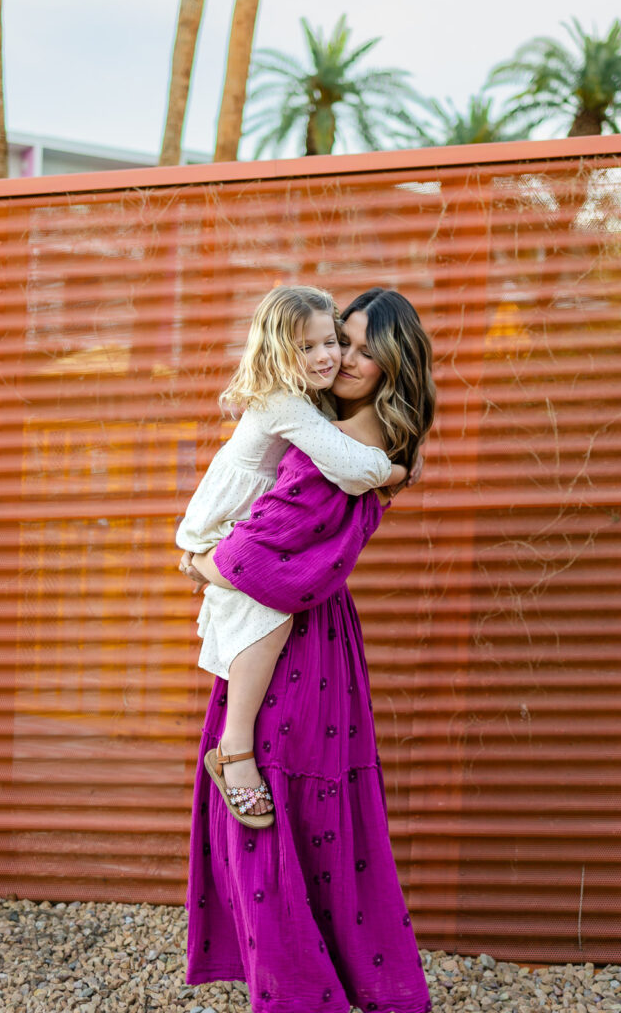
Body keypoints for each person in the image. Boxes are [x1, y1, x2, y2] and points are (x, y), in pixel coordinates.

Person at [180, 288, 437, 1013]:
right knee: (317, 812)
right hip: (307, 634)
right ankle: (330, 980)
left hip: (292, 637)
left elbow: (261, 563)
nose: (343, 359)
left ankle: (297, 992)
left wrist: (200, 563)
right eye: (336, 343)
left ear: (394, 361)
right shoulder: (358, 433)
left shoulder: (342, 445)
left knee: (279, 807)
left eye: (360, 347)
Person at [175, 285, 408, 825]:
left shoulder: (308, 402)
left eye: (331, 341)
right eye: (309, 348)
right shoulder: (286, 405)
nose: (330, 357)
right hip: (221, 527)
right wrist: (396, 472)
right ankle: (234, 752)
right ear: (278, 354)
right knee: (271, 613)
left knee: (266, 610)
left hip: (233, 527)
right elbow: (351, 468)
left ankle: (234, 745)